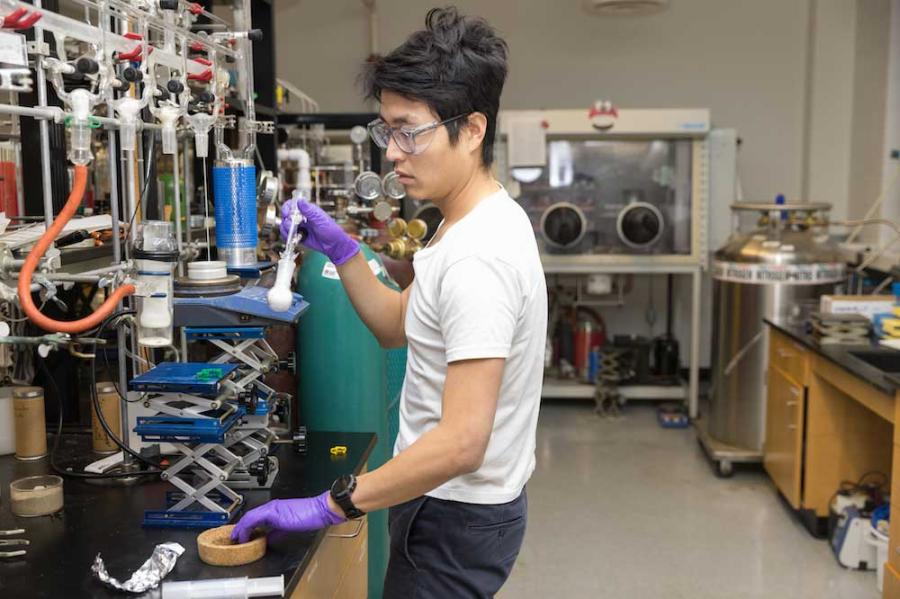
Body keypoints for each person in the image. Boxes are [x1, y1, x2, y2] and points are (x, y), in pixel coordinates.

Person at [231, 6, 547, 597]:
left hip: (454, 515)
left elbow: (461, 441)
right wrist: (346, 252)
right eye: (386, 130)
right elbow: (398, 326)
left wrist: (332, 504)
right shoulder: (464, 222)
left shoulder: (480, 254)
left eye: (409, 130)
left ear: (472, 129)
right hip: (440, 501)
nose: (393, 153)